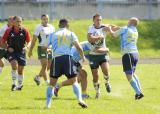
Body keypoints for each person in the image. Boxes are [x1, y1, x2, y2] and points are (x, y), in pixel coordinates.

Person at [46, 19, 88, 108]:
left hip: (56, 59)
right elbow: (79, 47)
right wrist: (83, 57)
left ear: (59, 25)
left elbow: (45, 47)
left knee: (51, 84)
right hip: (68, 59)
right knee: (74, 81)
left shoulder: (53, 34)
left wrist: (50, 52)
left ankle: (48, 105)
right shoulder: (71, 33)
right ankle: (80, 99)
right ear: (67, 25)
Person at [108, 17, 144, 100]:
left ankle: (139, 93)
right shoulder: (135, 30)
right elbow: (123, 28)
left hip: (128, 54)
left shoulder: (125, 29)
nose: (127, 21)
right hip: (135, 54)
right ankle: (139, 91)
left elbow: (113, 35)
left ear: (131, 22)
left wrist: (110, 28)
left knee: (129, 76)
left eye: (129, 20)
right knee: (133, 74)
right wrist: (117, 27)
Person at [1, 16, 31, 91]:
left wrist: (26, 47)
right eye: (17, 21)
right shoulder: (8, 30)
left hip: (21, 52)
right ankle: (14, 84)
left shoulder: (25, 30)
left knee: (20, 70)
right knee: (14, 65)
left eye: (20, 21)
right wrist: (8, 47)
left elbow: (29, 41)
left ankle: (20, 85)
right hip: (12, 52)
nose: (19, 23)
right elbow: (3, 41)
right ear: (13, 22)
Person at [87, 14, 111, 99]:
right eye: (97, 20)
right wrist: (98, 37)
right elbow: (89, 39)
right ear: (93, 20)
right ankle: (98, 92)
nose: (99, 21)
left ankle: (107, 82)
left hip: (103, 54)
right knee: (95, 76)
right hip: (93, 55)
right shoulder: (91, 28)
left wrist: (113, 28)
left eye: (100, 20)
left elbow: (112, 28)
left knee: (106, 70)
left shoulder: (103, 27)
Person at [28, 14, 55, 85]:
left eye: (47, 19)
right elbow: (34, 39)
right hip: (42, 48)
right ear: (41, 20)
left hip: (49, 48)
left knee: (50, 64)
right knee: (44, 64)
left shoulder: (52, 27)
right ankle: (46, 81)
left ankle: (38, 77)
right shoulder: (38, 27)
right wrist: (30, 50)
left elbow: (54, 38)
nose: (45, 20)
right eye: (44, 19)